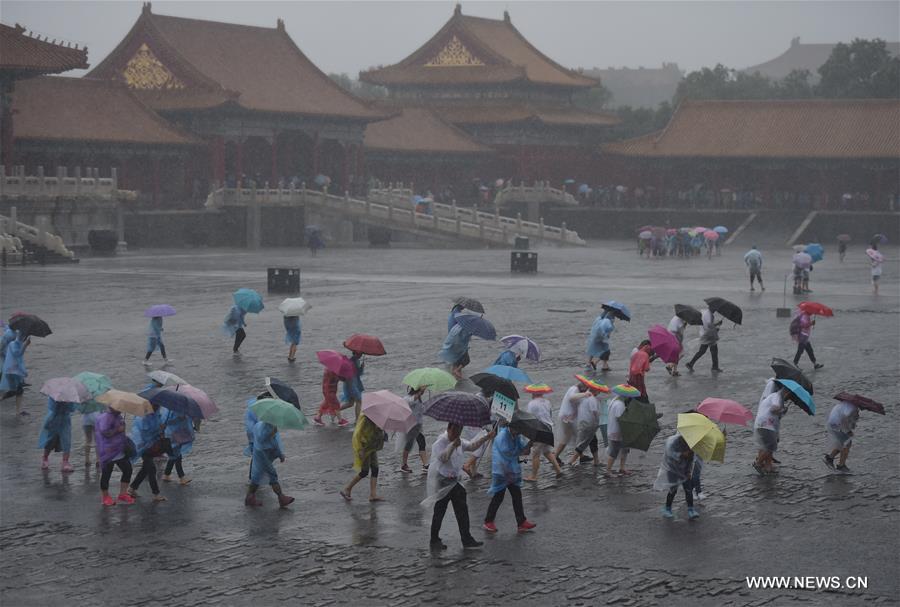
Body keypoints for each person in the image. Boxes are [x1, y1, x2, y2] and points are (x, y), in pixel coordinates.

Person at [425, 423, 494, 550]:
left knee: (462, 511)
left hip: (455, 482)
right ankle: (434, 540)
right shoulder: (440, 442)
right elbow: (443, 458)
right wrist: (452, 446)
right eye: (455, 431)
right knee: (439, 511)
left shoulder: (459, 441)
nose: (457, 433)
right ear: (448, 429)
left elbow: (472, 446)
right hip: (443, 482)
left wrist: (486, 437)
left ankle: (466, 539)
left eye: (459, 431)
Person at [483, 425, 536, 533]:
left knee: (517, 495)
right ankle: (488, 521)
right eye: (517, 428)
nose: (519, 431)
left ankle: (521, 522)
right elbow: (509, 452)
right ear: (510, 426)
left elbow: (524, 452)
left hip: (511, 471)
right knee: (499, 496)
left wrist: (529, 445)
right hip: (501, 471)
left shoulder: (517, 436)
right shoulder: (502, 436)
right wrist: (522, 450)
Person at [245, 420, 294, 507]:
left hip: (259, 453)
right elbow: (272, 443)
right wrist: (280, 454)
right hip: (262, 455)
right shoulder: (267, 429)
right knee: (272, 475)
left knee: (257, 476)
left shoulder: (261, 425)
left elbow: (271, 441)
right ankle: (281, 498)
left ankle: (249, 497)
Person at [95, 407, 135, 507]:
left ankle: (123, 493)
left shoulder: (118, 416)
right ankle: (105, 497)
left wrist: (122, 427)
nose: (120, 408)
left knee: (128, 469)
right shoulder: (106, 417)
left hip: (119, 449)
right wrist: (118, 429)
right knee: (107, 473)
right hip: (108, 450)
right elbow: (105, 432)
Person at [341, 414, 386, 502]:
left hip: (372, 447)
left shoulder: (379, 417)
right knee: (365, 472)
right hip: (364, 448)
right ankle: (347, 488)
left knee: (375, 469)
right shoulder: (365, 419)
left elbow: (378, 432)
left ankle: (373, 495)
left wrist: (380, 428)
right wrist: (360, 449)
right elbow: (357, 434)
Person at [654, 433, 699, 520]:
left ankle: (691, 510)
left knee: (688, 490)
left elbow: (691, 460)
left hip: (684, 470)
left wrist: (689, 471)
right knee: (673, 490)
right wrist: (681, 454)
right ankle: (667, 509)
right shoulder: (674, 442)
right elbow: (670, 453)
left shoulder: (692, 444)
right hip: (672, 470)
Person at [128, 406, 167, 502]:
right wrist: (158, 430)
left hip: (151, 446)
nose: (158, 406)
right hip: (143, 446)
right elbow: (144, 433)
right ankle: (156, 493)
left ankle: (132, 488)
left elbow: (157, 428)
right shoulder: (143, 417)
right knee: (151, 469)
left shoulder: (157, 414)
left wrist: (161, 429)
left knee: (145, 469)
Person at [523, 385, 562, 480]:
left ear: (534, 393)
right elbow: (550, 414)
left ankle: (534, 476)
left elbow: (529, 418)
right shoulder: (547, 402)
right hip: (549, 428)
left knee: (536, 454)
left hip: (539, 430)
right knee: (547, 451)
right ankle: (558, 470)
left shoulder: (532, 403)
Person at [553, 378, 592, 462]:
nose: (587, 390)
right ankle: (555, 456)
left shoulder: (576, 390)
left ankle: (581, 455)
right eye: (587, 388)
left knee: (575, 437)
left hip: (569, 418)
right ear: (583, 386)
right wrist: (585, 394)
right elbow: (571, 398)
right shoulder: (574, 389)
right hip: (567, 418)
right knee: (567, 438)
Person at [753, 381, 787, 475]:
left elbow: (776, 415)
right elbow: (773, 409)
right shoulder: (776, 396)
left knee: (767, 445)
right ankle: (758, 463)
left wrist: (782, 412)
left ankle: (768, 466)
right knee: (770, 446)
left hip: (764, 424)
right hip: (766, 425)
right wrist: (781, 410)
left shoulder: (776, 397)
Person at [38, 398, 77, 472]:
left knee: (66, 441)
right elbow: (51, 407)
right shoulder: (54, 395)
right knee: (50, 440)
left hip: (65, 420)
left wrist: (68, 403)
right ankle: (45, 458)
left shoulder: (70, 395)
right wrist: (58, 403)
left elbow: (72, 409)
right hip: (53, 419)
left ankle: (65, 462)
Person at [568, 386, 602, 467]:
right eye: (599, 391)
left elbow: (571, 399)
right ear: (595, 390)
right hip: (590, 424)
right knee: (583, 443)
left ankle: (596, 461)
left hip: (582, 422)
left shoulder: (583, 397)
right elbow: (595, 412)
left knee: (593, 440)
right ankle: (571, 461)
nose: (599, 393)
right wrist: (599, 421)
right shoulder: (592, 398)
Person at [824, 400, 859, 472]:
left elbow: (847, 419)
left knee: (842, 443)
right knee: (847, 443)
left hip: (832, 423)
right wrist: (848, 431)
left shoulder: (845, 404)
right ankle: (841, 465)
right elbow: (845, 417)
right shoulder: (852, 408)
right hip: (836, 424)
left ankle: (830, 458)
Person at [161, 407, 194, 485]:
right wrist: (178, 419)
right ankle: (182, 477)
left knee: (174, 455)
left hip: (179, 435)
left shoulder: (181, 410)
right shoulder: (168, 411)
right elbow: (165, 422)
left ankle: (166, 474)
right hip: (172, 435)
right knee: (177, 456)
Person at [0, 332, 30, 416]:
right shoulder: (14, 344)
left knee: (15, 391)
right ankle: (18, 411)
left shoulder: (14, 343)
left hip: (10, 371)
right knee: (18, 390)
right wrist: (25, 345)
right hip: (13, 371)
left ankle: (18, 411)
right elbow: (18, 355)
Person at [400, 386, 428, 473]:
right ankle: (404, 465)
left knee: (420, 442)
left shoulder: (419, 400)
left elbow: (421, 411)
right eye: (422, 390)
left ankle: (425, 465)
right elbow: (409, 402)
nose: (424, 391)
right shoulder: (408, 398)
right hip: (410, 425)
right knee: (410, 444)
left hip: (417, 426)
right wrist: (418, 393)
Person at [685, 307, 723, 373]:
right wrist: (717, 327)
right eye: (715, 309)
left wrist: (717, 324)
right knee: (713, 351)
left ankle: (691, 364)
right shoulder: (709, 315)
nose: (716, 310)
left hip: (704, 333)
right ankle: (714, 367)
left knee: (703, 351)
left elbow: (707, 324)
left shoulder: (704, 312)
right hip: (708, 335)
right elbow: (709, 325)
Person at [606, 392, 632, 476]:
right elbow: (620, 418)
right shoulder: (620, 404)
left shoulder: (615, 400)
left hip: (616, 430)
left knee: (625, 449)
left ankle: (622, 468)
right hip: (617, 431)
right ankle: (608, 471)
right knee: (614, 451)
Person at [343, 352, 365, 422]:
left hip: (355, 383)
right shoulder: (351, 361)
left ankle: (335, 411)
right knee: (359, 400)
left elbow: (358, 373)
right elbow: (349, 375)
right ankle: (357, 420)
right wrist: (351, 387)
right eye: (359, 354)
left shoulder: (357, 361)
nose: (360, 355)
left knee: (350, 403)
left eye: (361, 354)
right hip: (351, 384)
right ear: (355, 353)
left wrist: (362, 367)